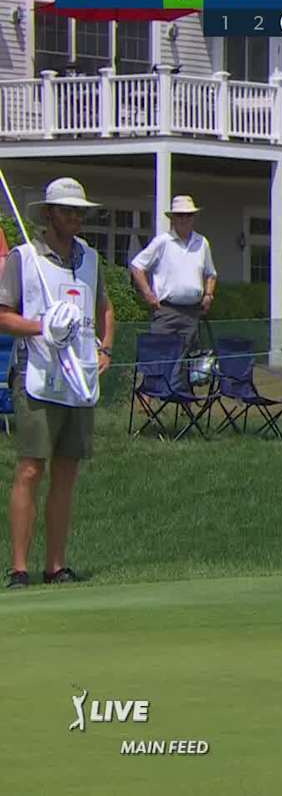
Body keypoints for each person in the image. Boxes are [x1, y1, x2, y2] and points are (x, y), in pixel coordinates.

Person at [0, 178, 116, 589]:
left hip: (78, 378)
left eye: (80, 211)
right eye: (68, 210)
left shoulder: (90, 259)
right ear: (49, 213)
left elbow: (105, 308)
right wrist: (41, 326)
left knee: (67, 470)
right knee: (31, 468)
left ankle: (56, 565)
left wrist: (105, 349)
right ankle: (17, 568)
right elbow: (3, 315)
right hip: (37, 374)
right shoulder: (23, 258)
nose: (76, 217)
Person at [128, 195, 216, 354]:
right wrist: (148, 294)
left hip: (192, 312)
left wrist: (209, 295)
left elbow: (211, 273)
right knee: (161, 359)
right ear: (173, 219)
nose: (184, 219)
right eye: (180, 215)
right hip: (166, 311)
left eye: (188, 215)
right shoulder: (163, 241)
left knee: (188, 363)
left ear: (193, 218)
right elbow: (137, 266)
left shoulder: (202, 242)